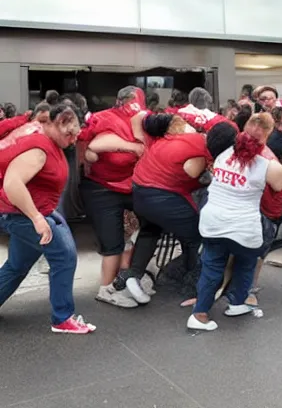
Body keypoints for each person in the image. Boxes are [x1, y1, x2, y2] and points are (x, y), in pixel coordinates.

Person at [188, 113, 282, 331]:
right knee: (247, 261)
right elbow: (281, 183)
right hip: (244, 227)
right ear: (267, 135)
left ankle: (200, 313)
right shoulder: (267, 164)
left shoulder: (223, 154)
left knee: (212, 266)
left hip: (213, 222)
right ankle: (237, 302)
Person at [0, 103, 95, 334]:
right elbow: (12, 184)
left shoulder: (46, 136)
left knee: (17, 265)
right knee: (64, 255)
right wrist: (37, 218)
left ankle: (62, 317)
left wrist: (46, 213)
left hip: (26, 212)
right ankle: (62, 318)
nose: (73, 140)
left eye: (76, 135)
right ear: (57, 124)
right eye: (69, 134)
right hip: (19, 214)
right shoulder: (39, 148)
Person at [118, 113, 226, 305]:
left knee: (150, 231)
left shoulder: (165, 140)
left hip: (139, 192)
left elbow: (139, 116)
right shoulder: (199, 144)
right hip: (164, 196)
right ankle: (194, 287)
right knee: (195, 237)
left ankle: (132, 275)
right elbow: (192, 172)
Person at [79, 86, 146, 308]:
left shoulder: (146, 121)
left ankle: (126, 277)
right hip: (102, 188)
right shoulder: (107, 120)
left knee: (147, 225)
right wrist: (132, 147)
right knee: (113, 243)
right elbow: (93, 147)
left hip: (130, 187)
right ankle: (106, 289)